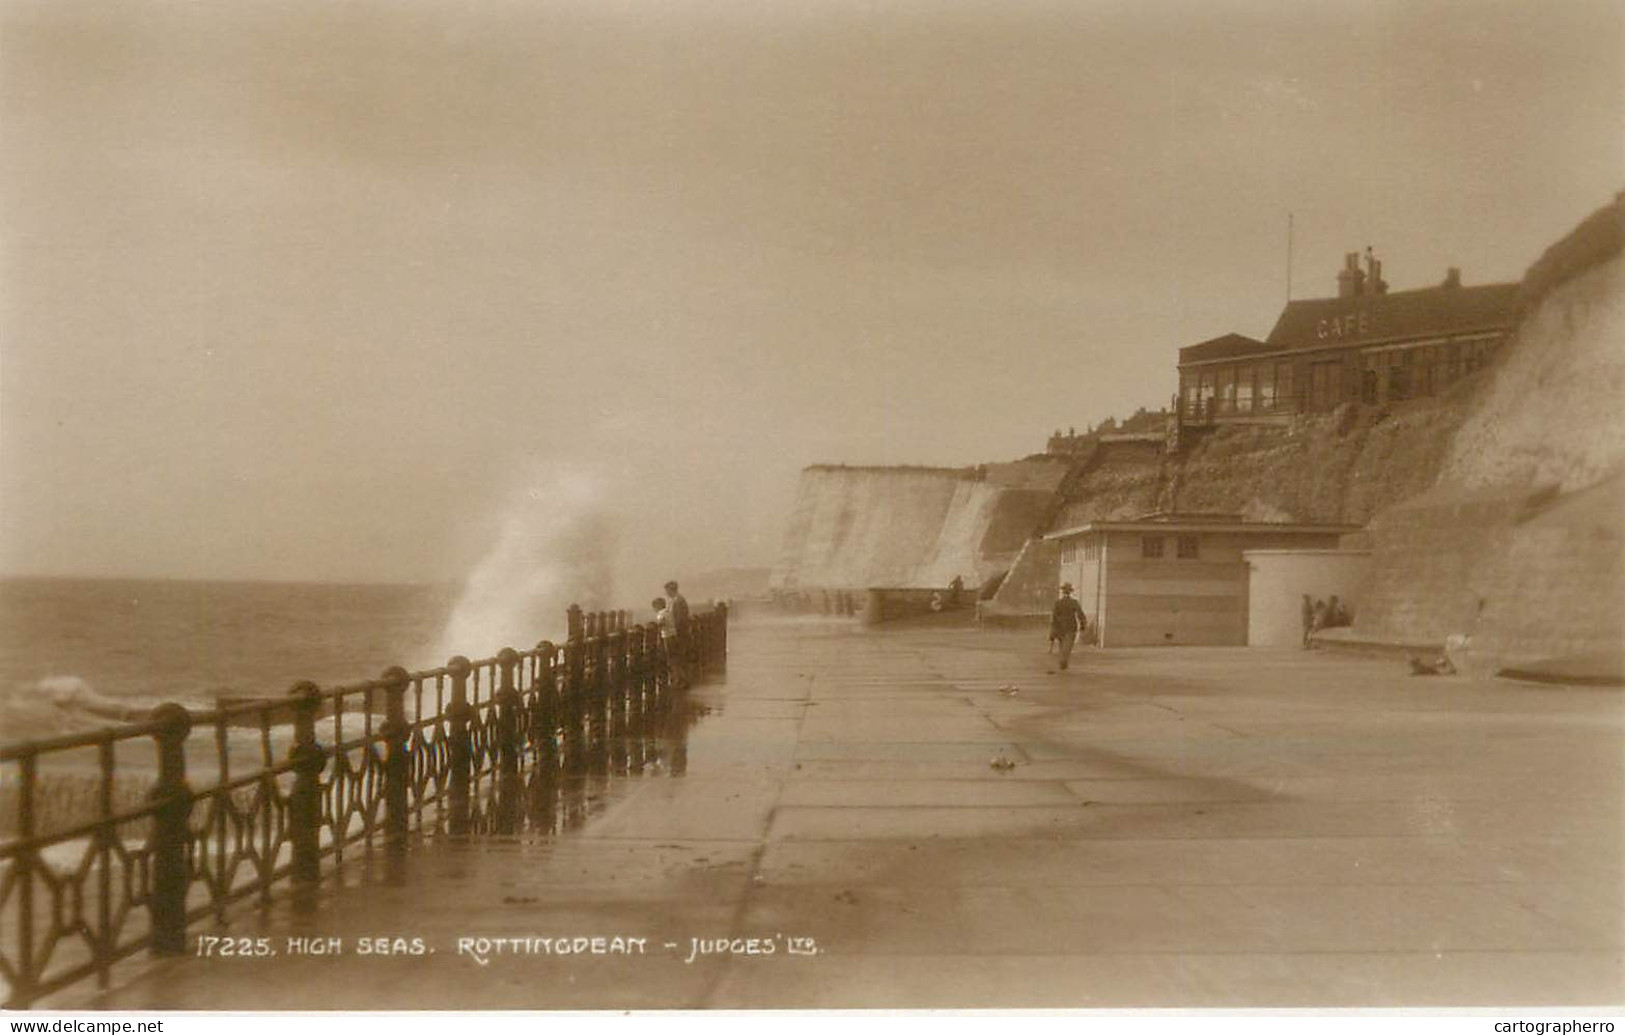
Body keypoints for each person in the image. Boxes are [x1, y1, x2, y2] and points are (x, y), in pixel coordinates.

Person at [1049, 583, 1086, 671]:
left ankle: (1062, 660)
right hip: (1071, 627)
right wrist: (1082, 624)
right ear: (1070, 592)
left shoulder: (1058, 603)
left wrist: (1053, 628)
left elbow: (1054, 616)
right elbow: (1080, 614)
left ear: (1063, 592)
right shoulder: (1074, 602)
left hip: (1060, 627)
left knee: (1062, 645)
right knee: (1068, 645)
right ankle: (1064, 660)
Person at [663, 580, 691, 688]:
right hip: (679, 632)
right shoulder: (677, 600)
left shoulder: (678, 602)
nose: (666, 593)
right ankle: (679, 680)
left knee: (676, 657)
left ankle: (680, 681)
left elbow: (679, 619)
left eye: (667, 591)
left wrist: (673, 631)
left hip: (678, 633)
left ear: (672, 590)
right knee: (677, 657)